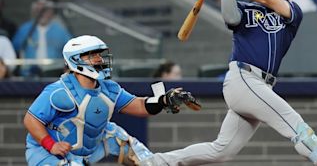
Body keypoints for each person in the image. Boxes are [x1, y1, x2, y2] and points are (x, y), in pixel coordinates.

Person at [142, 0, 317, 165]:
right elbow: (230, 16)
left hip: (260, 86)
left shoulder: (292, 12)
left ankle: (153, 162)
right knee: (296, 127)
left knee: (222, 151)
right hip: (244, 78)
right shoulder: (246, 8)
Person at [23, 35, 200, 165]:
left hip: (87, 148)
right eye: (92, 55)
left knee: (124, 141)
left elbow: (138, 106)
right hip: (49, 154)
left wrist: (163, 101)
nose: (99, 59)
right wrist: (51, 145)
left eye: (99, 54)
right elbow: (30, 120)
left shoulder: (109, 88)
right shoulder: (58, 91)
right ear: (75, 60)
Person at [12, 0, 72, 77]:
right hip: (29, 74)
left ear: (52, 12)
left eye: (45, 11)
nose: (42, 14)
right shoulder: (25, 29)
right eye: (38, 11)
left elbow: (71, 50)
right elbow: (14, 49)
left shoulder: (60, 30)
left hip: (54, 74)